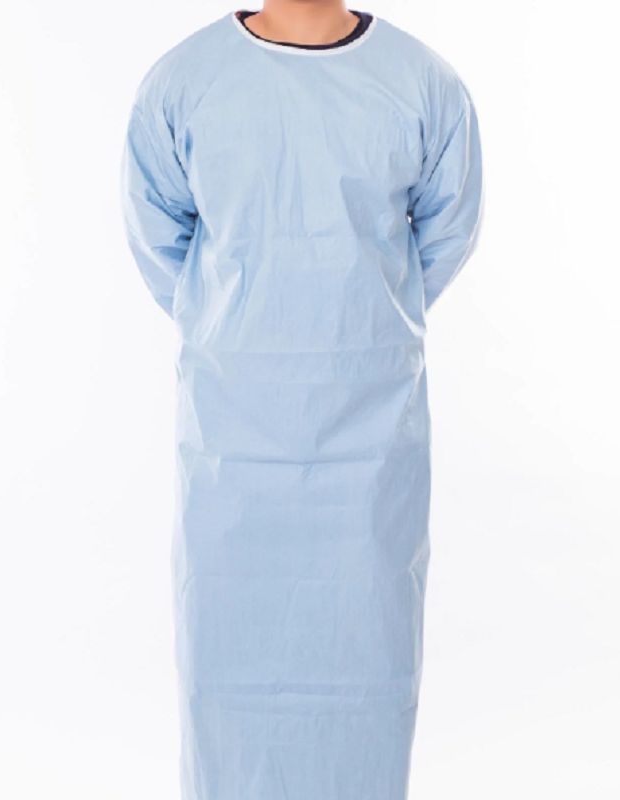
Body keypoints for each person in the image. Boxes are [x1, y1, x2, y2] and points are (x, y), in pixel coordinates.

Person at [120, 2, 483, 798]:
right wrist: (242, 323)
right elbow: (162, 240)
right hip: (233, 442)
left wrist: (362, 318)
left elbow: (444, 236)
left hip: (370, 445)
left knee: (367, 665)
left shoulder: (423, 87)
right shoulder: (183, 85)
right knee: (227, 668)